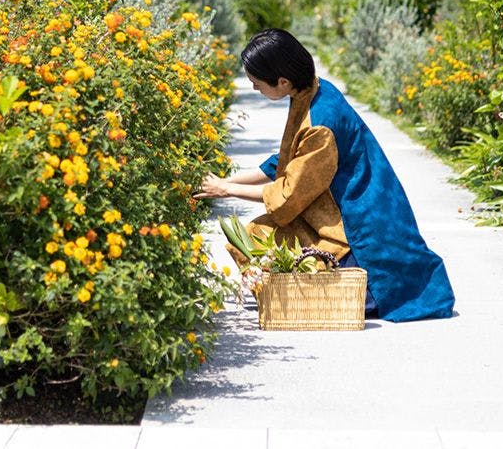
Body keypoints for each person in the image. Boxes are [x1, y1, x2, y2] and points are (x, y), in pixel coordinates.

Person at [195, 28, 455, 322]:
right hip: (344, 204)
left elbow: (287, 196)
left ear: (282, 81)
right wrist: (225, 181)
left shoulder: (320, 125)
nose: (254, 89)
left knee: (269, 241)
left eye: (257, 84)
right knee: (257, 236)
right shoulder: (313, 90)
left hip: (357, 222)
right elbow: (285, 161)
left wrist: (226, 191)